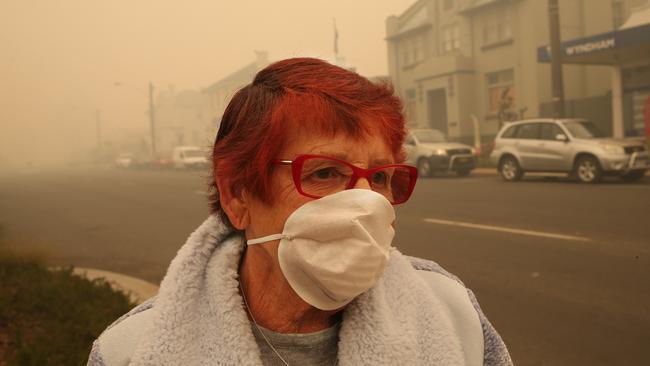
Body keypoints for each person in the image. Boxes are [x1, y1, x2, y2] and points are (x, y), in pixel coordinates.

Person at [88, 58, 512, 366]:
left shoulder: (452, 314)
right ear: (238, 197)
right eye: (326, 172)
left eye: (381, 177)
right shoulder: (131, 351)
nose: (368, 204)